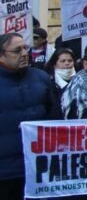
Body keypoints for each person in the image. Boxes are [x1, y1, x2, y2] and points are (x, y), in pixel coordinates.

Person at [0, 33, 59, 199]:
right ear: (1, 55)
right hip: (5, 171)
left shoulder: (41, 78)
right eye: (17, 50)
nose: (25, 53)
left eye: (26, 48)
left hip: (38, 166)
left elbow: (53, 114)